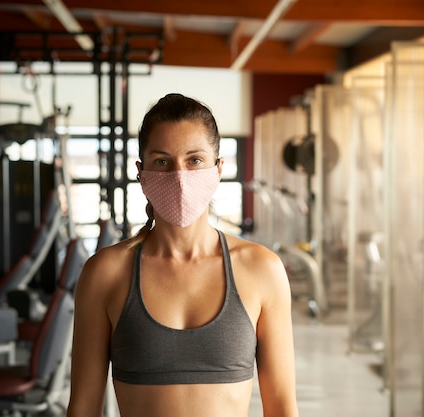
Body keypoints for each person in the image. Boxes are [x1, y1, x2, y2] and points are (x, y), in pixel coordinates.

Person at [67, 93, 299, 417]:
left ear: (219, 169)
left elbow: (282, 409)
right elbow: (82, 409)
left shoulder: (262, 270)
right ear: (141, 173)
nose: (179, 177)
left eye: (194, 160)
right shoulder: (105, 274)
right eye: (162, 161)